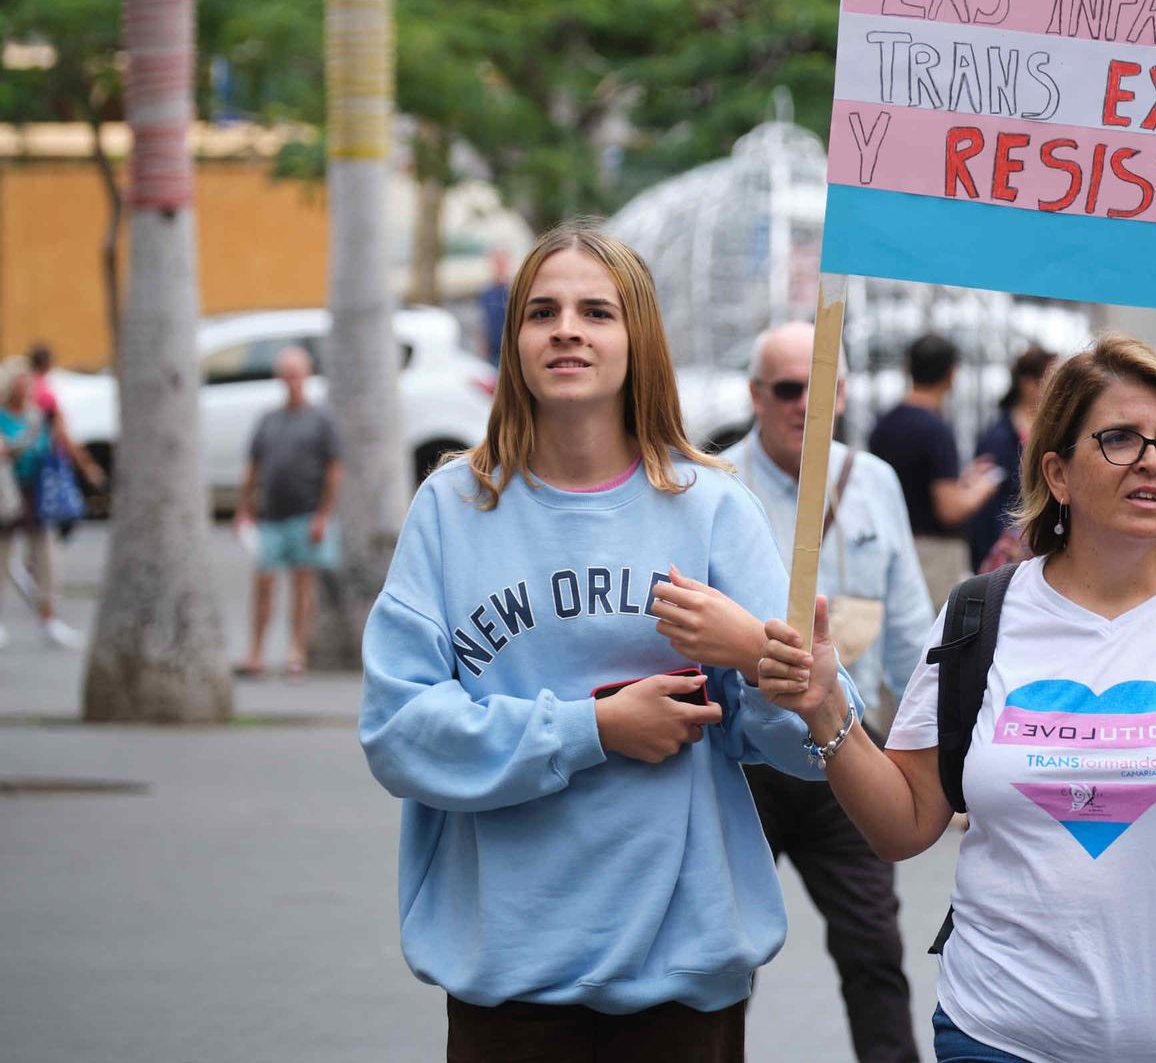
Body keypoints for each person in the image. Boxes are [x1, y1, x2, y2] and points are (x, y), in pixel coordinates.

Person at [757, 334, 1156, 1063]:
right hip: (1000, 1034)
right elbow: (903, 825)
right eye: (1121, 438)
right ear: (1057, 472)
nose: (1153, 461)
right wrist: (827, 713)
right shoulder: (980, 616)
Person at [358, 222, 861, 1063]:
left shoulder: (712, 508)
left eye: (596, 311)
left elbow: (799, 743)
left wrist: (759, 656)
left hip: (680, 980)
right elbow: (398, 733)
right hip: (507, 982)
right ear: (513, 338)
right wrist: (593, 729)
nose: (567, 329)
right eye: (542, 311)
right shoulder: (450, 509)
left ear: (638, 341)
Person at [720, 321, 932, 1063]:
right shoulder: (713, 484)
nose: (806, 404)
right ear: (755, 395)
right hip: (744, 757)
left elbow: (909, 624)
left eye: (822, 387)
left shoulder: (874, 482)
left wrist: (931, 753)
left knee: (874, 947)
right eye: (787, 387)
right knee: (722, 957)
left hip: (846, 747)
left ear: (843, 395)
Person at [868, 334, 1004, 608]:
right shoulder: (936, 429)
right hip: (933, 558)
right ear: (951, 373)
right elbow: (949, 509)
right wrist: (982, 488)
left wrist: (962, 481)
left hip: (887, 549)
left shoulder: (884, 424)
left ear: (908, 367)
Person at [232, 346, 342, 679]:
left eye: (297, 373)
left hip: (306, 514)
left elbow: (334, 470)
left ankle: (297, 651)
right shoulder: (269, 420)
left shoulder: (321, 419)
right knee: (263, 582)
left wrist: (323, 514)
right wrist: (243, 509)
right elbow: (253, 467)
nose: (292, 380)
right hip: (271, 516)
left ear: (306, 375)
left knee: (302, 585)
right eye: (286, 374)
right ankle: (256, 652)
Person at [0, 355, 106, 650]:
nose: (23, 389)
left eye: (26, 384)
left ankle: (49, 618)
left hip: (37, 493)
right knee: (3, 556)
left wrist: (85, 468)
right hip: (6, 493)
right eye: (18, 384)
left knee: (47, 556)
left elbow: (60, 442)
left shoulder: (38, 415)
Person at [965, 344, 1056, 573]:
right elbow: (987, 508)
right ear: (1028, 383)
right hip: (1006, 551)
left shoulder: (1053, 430)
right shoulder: (999, 438)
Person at [477, 248, 512, 363]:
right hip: (493, 353)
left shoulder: (512, 291)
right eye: (496, 263)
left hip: (510, 351)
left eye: (501, 263)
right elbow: (483, 324)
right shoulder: (486, 293)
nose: (499, 267)